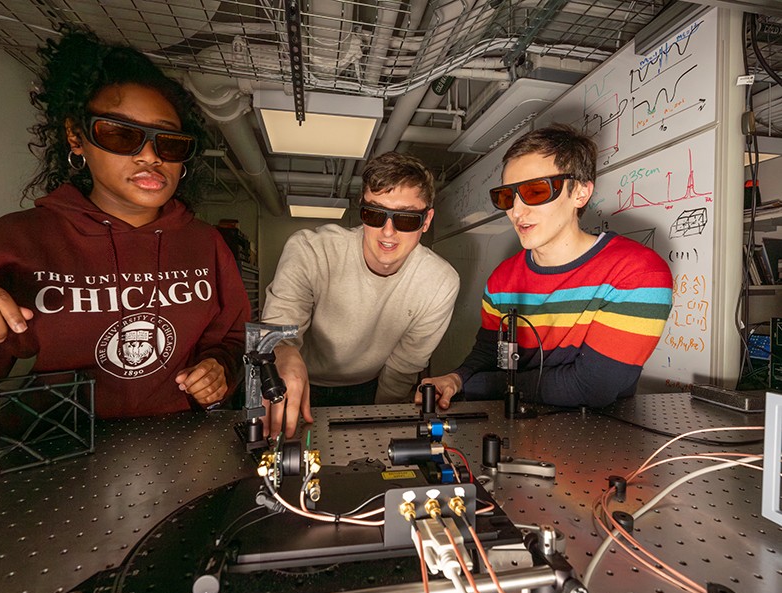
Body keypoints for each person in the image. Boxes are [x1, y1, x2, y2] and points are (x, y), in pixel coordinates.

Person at [0, 29, 250, 418]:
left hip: (179, 452)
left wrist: (220, 368)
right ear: (77, 137)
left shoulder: (205, 243)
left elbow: (232, 338)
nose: (149, 155)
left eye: (169, 142)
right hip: (55, 461)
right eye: (121, 134)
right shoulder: (12, 244)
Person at [418, 124, 672, 410]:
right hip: (510, 431)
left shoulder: (638, 272)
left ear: (580, 192)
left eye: (536, 191)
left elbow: (589, 387)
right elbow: (490, 352)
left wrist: (477, 386)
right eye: (507, 197)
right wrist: (456, 379)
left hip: (593, 438)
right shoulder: (502, 279)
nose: (516, 211)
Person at [261, 152, 460, 436]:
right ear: (362, 211)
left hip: (370, 387)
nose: (388, 232)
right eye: (375, 214)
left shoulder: (440, 282)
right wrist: (282, 350)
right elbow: (275, 331)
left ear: (426, 220)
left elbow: (402, 369)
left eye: (405, 219)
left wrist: (381, 426)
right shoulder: (311, 249)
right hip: (297, 381)